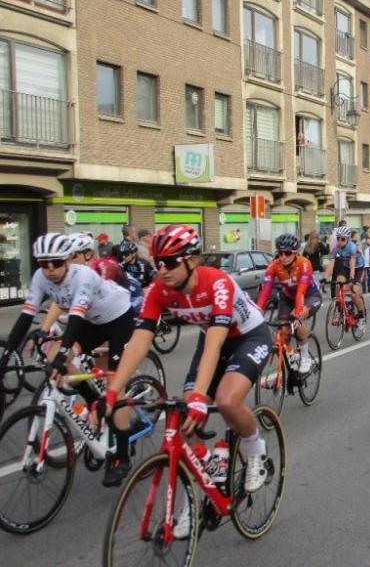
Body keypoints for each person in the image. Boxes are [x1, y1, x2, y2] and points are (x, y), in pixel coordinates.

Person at [94, 225, 272, 527]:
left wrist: (202, 397)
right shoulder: (159, 291)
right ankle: (207, 479)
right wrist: (113, 392)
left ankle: (256, 453)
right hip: (212, 339)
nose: (162, 269)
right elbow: (139, 342)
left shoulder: (217, 283)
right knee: (184, 419)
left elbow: (215, 344)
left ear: (192, 260)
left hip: (247, 336)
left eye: (170, 262)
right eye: (157, 262)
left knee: (226, 401)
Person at [1, 233, 136, 486]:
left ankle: (121, 455)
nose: (50, 269)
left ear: (67, 260)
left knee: (114, 386)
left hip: (118, 319)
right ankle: (92, 399)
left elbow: (74, 319)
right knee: (54, 356)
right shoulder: (41, 277)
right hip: (93, 323)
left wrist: (64, 354)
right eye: (44, 264)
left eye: (56, 263)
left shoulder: (83, 276)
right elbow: (25, 316)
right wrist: (6, 357)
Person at [256, 234, 322, 372]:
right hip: (287, 298)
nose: (283, 256)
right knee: (283, 333)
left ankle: (305, 357)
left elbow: (300, 293)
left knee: (297, 318)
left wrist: (297, 313)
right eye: (280, 253)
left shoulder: (304, 264)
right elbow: (265, 292)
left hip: (309, 296)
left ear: (296, 252)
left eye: (287, 253)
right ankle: (283, 375)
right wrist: (257, 312)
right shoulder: (274, 266)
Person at [323, 226, 366, 325]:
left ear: (348, 239)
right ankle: (339, 310)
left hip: (359, 269)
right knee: (339, 282)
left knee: (354, 292)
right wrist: (324, 278)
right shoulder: (337, 248)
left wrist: (351, 278)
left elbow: (352, 262)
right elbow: (331, 263)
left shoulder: (352, 247)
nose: (340, 241)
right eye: (338, 238)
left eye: (343, 239)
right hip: (346, 267)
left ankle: (361, 315)